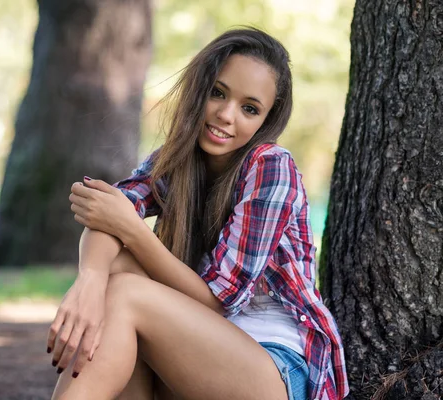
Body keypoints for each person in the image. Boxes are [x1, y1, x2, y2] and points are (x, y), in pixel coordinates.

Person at [47, 28, 349, 400]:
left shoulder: (271, 167)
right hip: (202, 353)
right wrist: (89, 282)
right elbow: (108, 212)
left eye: (249, 108)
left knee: (125, 293)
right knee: (116, 271)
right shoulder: (174, 162)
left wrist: (134, 232)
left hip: (278, 369)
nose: (225, 115)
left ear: (266, 120)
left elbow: (219, 303)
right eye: (217, 93)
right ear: (199, 90)